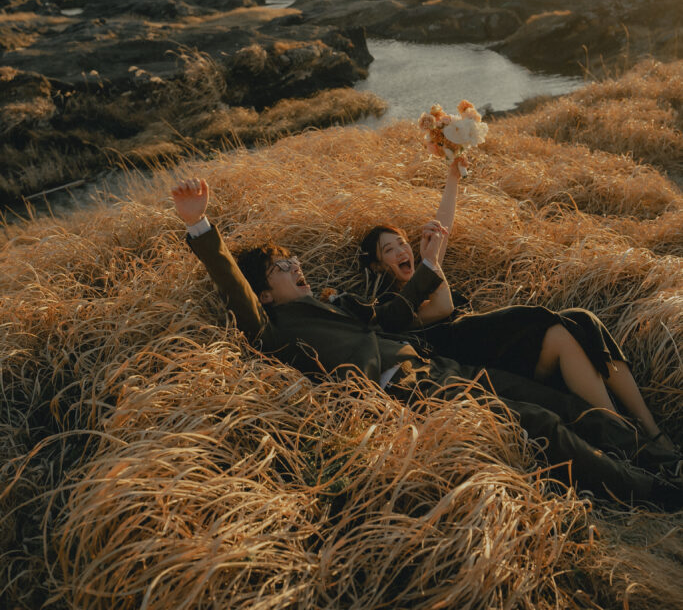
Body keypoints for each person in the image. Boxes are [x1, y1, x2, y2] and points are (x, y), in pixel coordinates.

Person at [172, 176, 683, 510]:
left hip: (439, 365)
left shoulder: (336, 304)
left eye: (295, 261)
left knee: (557, 403)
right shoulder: (271, 329)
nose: (296, 267)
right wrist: (199, 222)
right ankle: (653, 493)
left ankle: (656, 456)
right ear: (264, 290)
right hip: (407, 391)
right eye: (284, 267)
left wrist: (430, 267)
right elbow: (229, 279)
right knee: (540, 424)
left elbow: (390, 315)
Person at [359, 155, 679, 459]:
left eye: (402, 242)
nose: (402, 250)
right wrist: (431, 259)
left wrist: (453, 177)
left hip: (500, 345)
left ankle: (651, 430)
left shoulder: (428, 273)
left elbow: (443, 226)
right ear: (376, 266)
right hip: (482, 359)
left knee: (581, 319)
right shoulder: (391, 305)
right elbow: (442, 309)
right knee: (549, 326)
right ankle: (626, 436)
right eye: (390, 249)